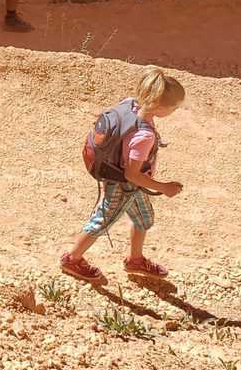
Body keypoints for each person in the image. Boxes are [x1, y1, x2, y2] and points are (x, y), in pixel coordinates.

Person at [59, 67, 186, 284]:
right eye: (173, 107)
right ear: (158, 106)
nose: (175, 111)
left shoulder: (130, 103)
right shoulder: (144, 136)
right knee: (102, 221)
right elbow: (132, 175)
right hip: (124, 186)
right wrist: (164, 187)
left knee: (144, 220)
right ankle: (72, 259)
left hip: (134, 186)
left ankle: (135, 260)